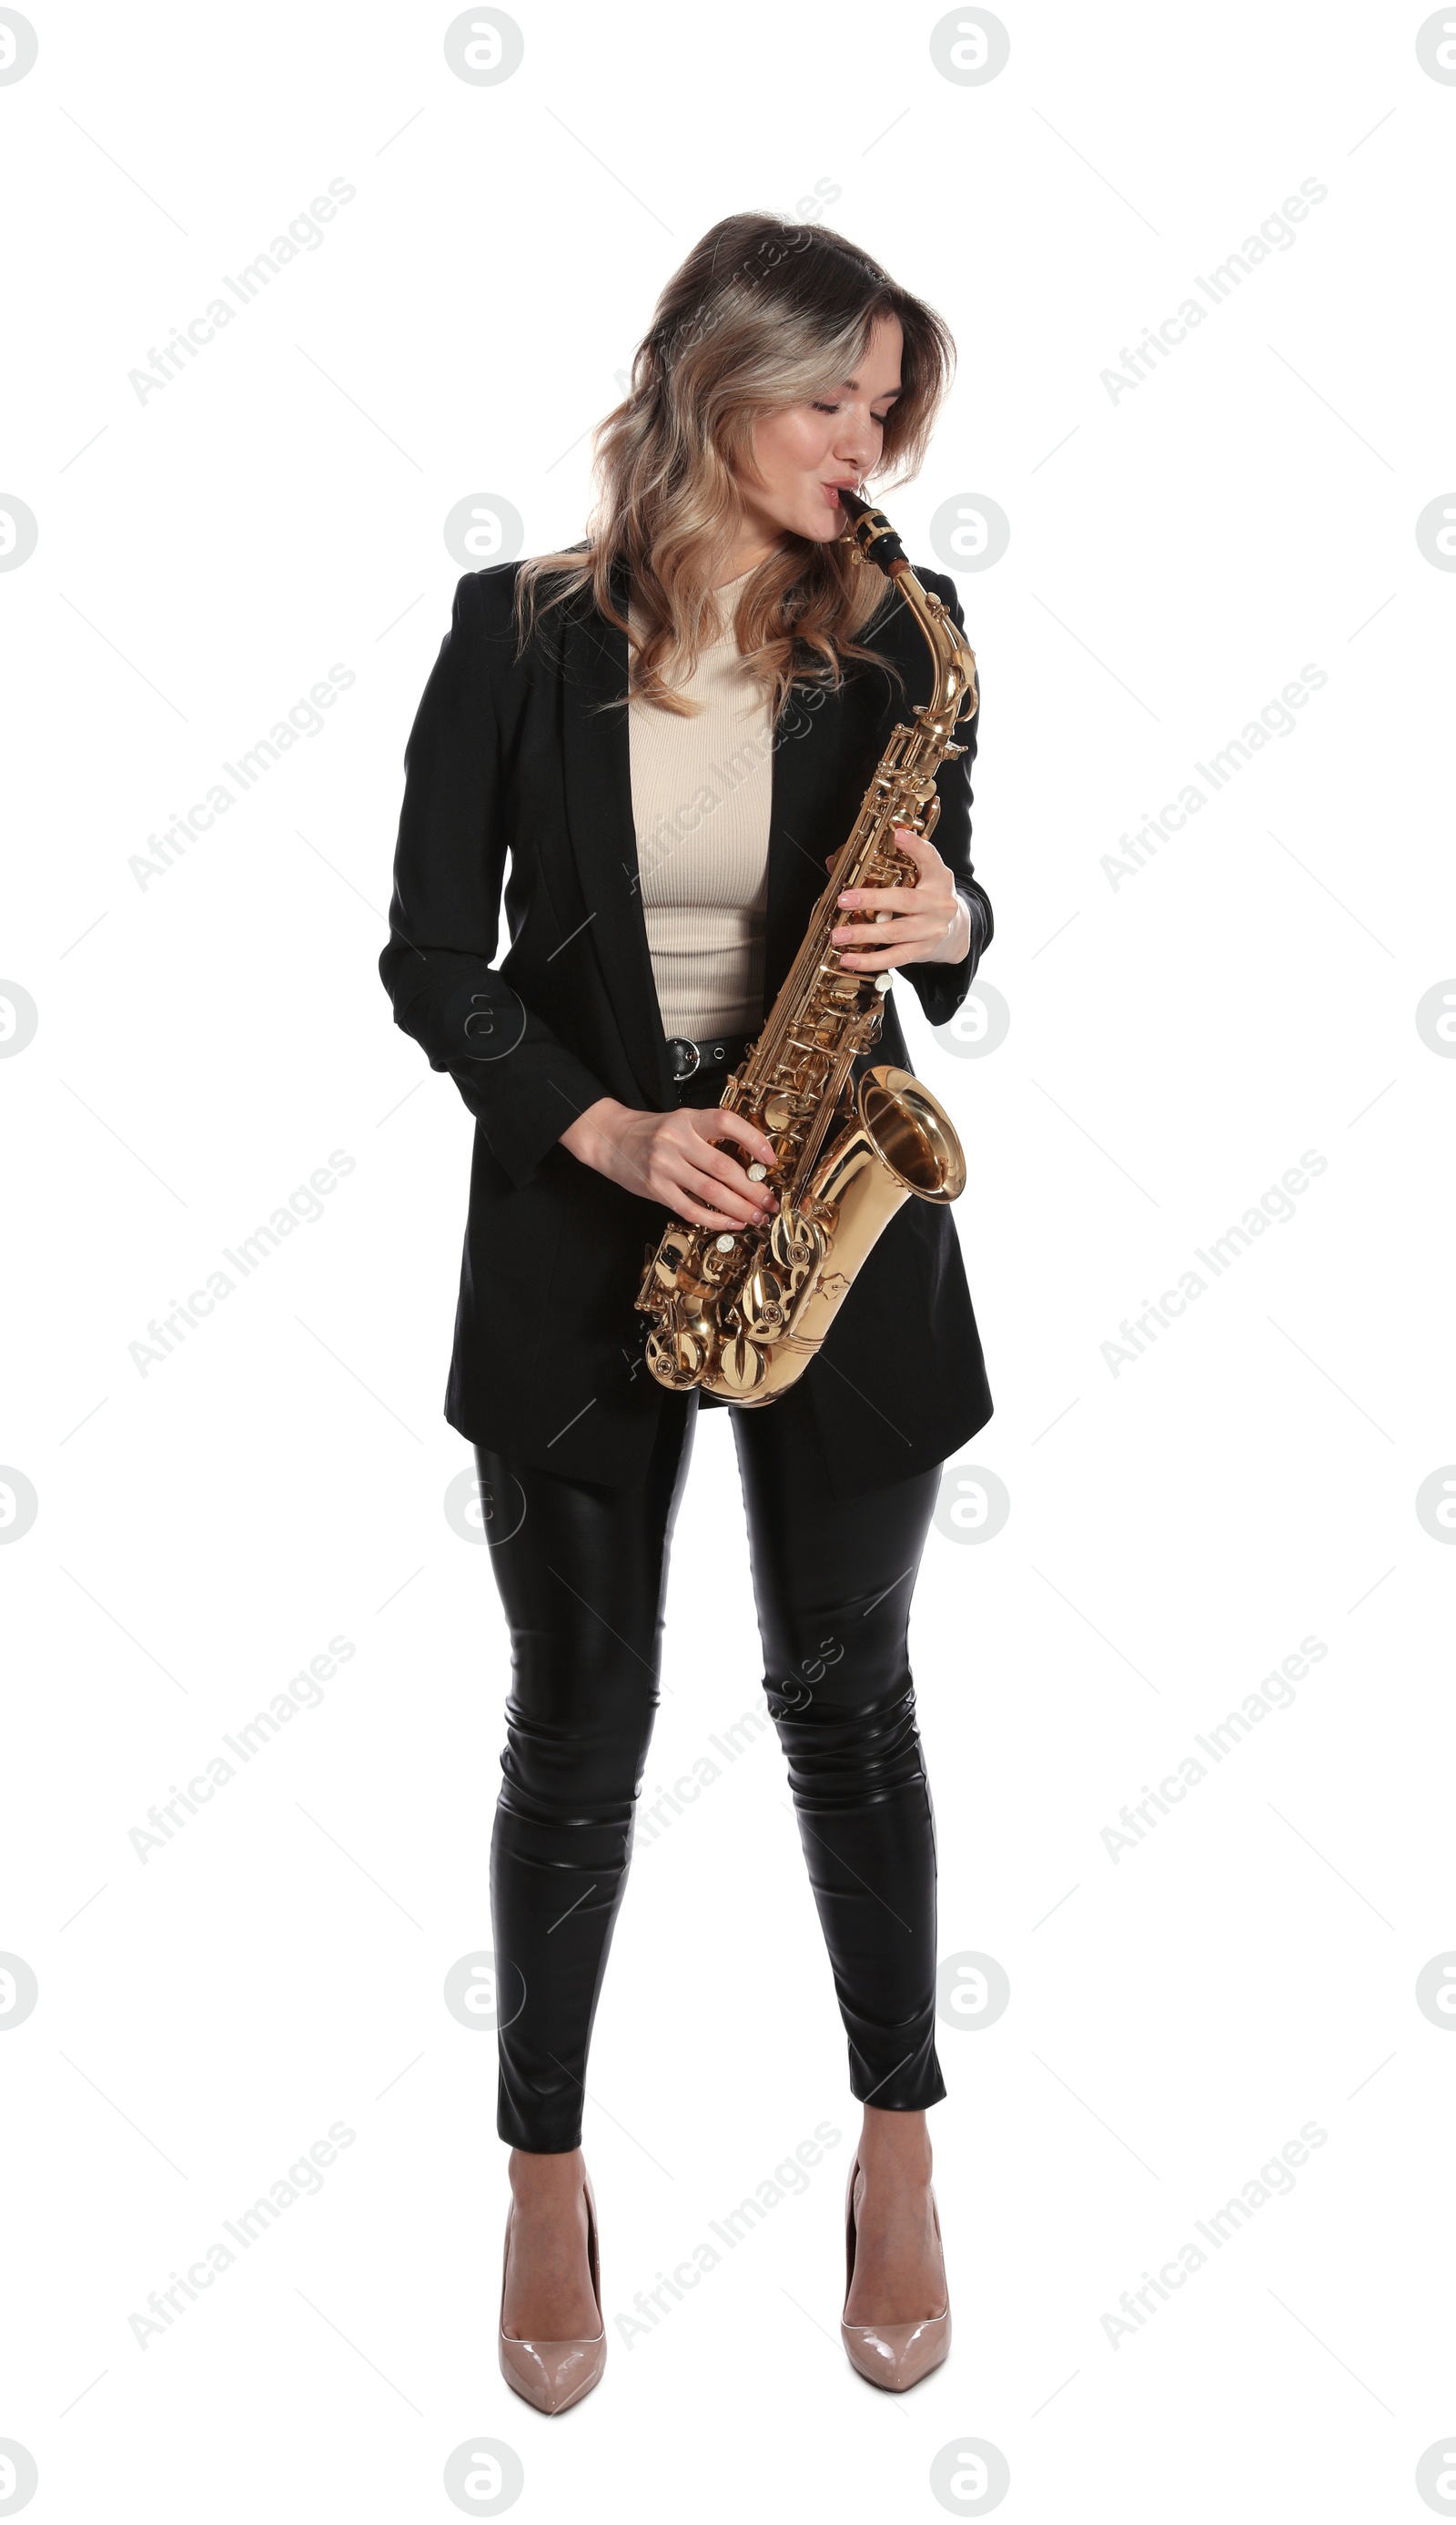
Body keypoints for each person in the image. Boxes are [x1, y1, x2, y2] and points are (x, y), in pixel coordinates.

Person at [379, 210, 995, 2412]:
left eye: (887, 405)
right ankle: (541, 2167)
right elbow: (430, 960)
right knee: (581, 1725)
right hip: (581, 1232)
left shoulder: (904, 633)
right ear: (714, 378)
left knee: (851, 1700)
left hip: (835, 1209)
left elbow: (943, 904)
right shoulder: (517, 633)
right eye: (834, 398)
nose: (871, 439)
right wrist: (607, 1135)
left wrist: (953, 908)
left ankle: (896, 2137)